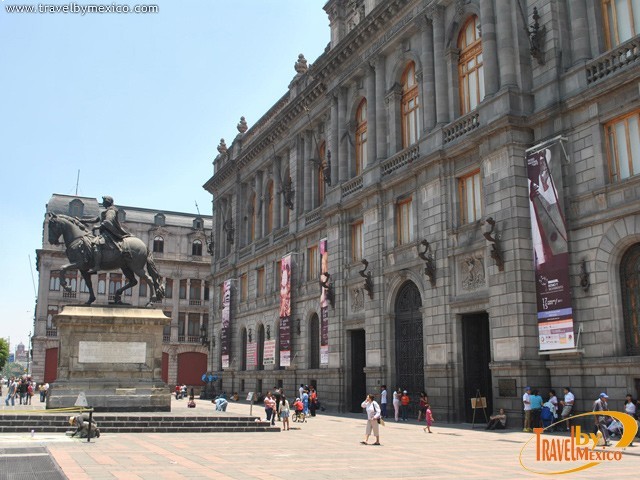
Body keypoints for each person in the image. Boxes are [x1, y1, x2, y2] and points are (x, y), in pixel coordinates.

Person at [81, 196, 130, 273]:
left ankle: (97, 266)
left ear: (107, 201)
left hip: (110, 233)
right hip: (105, 232)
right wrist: (82, 220)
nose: (103, 203)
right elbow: (95, 219)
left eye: (104, 201)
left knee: (96, 243)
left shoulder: (111, 211)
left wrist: (98, 226)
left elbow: (108, 221)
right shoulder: (106, 211)